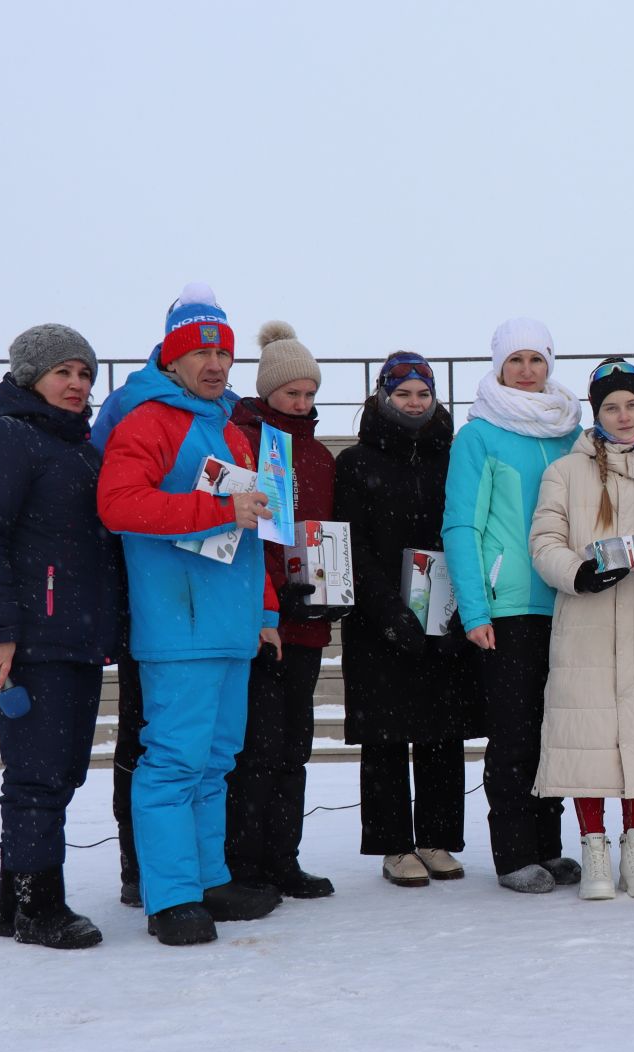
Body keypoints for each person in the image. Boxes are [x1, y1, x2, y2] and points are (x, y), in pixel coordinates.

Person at [97, 283, 284, 945]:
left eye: (223, 355)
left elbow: (252, 526)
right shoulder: (145, 420)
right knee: (174, 762)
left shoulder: (230, 426)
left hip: (230, 624)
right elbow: (118, 505)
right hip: (177, 625)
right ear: (172, 359)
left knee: (215, 762)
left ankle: (207, 879)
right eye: (200, 353)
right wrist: (213, 511)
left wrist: (265, 608)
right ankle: (170, 895)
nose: (214, 365)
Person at [0, 323, 118, 949]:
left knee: (58, 774)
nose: (77, 385)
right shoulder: (3, 437)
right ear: (30, 375)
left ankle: (11, 901)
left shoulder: (77, 446)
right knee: (37, 778)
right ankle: (39, 907)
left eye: (84, 374)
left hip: (71, 637)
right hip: (23, 642)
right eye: (63, 373)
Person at [529, 359, 634, 900]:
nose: (623, 416)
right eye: (611, 407)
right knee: (589, 739)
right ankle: (594, 848)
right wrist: (577, 573)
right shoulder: (564, 473)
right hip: (585, 624)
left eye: (632, 405)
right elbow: (545, 541)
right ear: (595, 413)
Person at [441, 318, 584, 894]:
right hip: (508, 610)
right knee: (514, 734)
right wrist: (475, 610)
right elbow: (461, 526)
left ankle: (549, 847)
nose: (527, 371)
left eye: (537, 360)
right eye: (515, 360)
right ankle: (513, 853)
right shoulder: (479, 436)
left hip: (570, 602)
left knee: (556, 732)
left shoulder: (573, 431)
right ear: (498, 366)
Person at [334, 352, 480, 888]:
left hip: (444, 611)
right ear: (382, 397)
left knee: (443, 731)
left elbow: (467, 531)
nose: (414, 403)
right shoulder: (355, 462)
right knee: (387, 736)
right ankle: (394, 845)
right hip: (380, 621)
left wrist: (458, 606)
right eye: (403, 394)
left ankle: (437, 838)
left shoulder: (453, 458)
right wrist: (388, 611)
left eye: (423, 394)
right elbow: (353, 546)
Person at [224, 321, 346, 900]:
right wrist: (275, 589)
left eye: (309, 393)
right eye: (291, 392)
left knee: (294, 746)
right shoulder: (242, 439)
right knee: (257, 747)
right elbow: (246, 533)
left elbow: (324, 535)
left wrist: (333, 591)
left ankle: (283, 857)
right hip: (257, 619)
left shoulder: (320, 455)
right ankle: (245, 862)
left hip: (307, 622)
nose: (301, 402)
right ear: (268, 391)